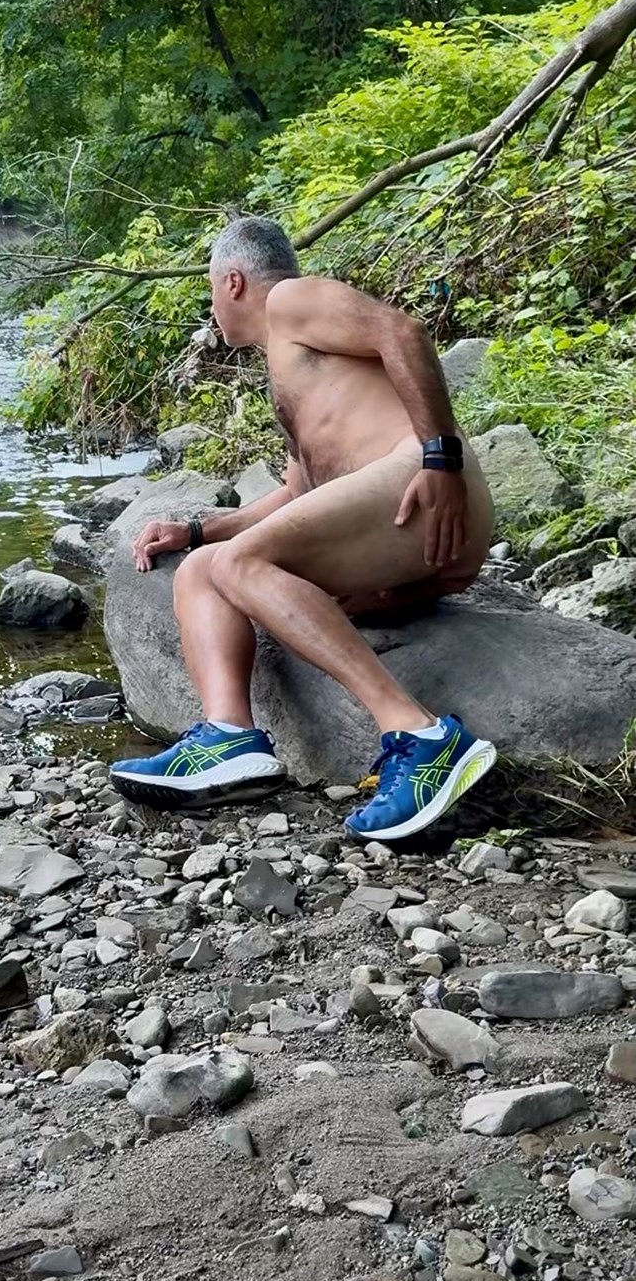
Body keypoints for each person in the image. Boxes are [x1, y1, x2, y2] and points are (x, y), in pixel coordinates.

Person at [109, 216, 497, 840]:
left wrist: (440, 458)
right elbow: (297, 498)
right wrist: (197, 532)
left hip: (423, 487)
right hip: (388, 521)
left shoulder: (292, 299)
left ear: (233, 282)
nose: (212, 310)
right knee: (206, 570)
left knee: (241, 564)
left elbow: (402, 331)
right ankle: (230, 741)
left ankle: (423, 736)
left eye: (211, 292)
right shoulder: (291, 369)